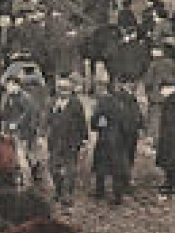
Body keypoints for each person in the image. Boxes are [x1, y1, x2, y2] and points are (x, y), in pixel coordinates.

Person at [91, 79, 142, 205]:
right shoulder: (127, 102)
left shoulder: (103, 102)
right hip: (120, 140)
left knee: (101, 167)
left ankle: (100, 192)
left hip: (104, 138)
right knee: (117, 168)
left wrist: (100, 126)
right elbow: (132, 121)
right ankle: (117, 196)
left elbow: (95, 121)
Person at [47, 76, 89, 206]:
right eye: (60, 88)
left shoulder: (76, 104)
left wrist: (84, 139)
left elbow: (82, 123)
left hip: (71, 141)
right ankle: (58, 191)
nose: (62, 92)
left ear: (71, 90)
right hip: (55, 141)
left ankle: (67, 195)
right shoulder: (52, 102)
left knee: (70, 169)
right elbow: (47, 119)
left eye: (65, 89)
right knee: (53, 168)